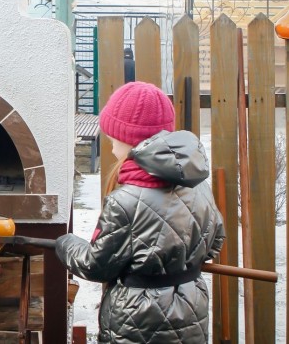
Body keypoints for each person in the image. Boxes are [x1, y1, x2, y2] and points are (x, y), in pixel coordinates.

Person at [54, 81, 225, 343]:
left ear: (133, 141)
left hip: (138, 319)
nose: (111, 148)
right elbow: (215, 241)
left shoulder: (125, 201)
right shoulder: (199, 184)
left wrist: (65, 243)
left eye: (114, 140)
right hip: (191, 306)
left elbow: (95, 265)